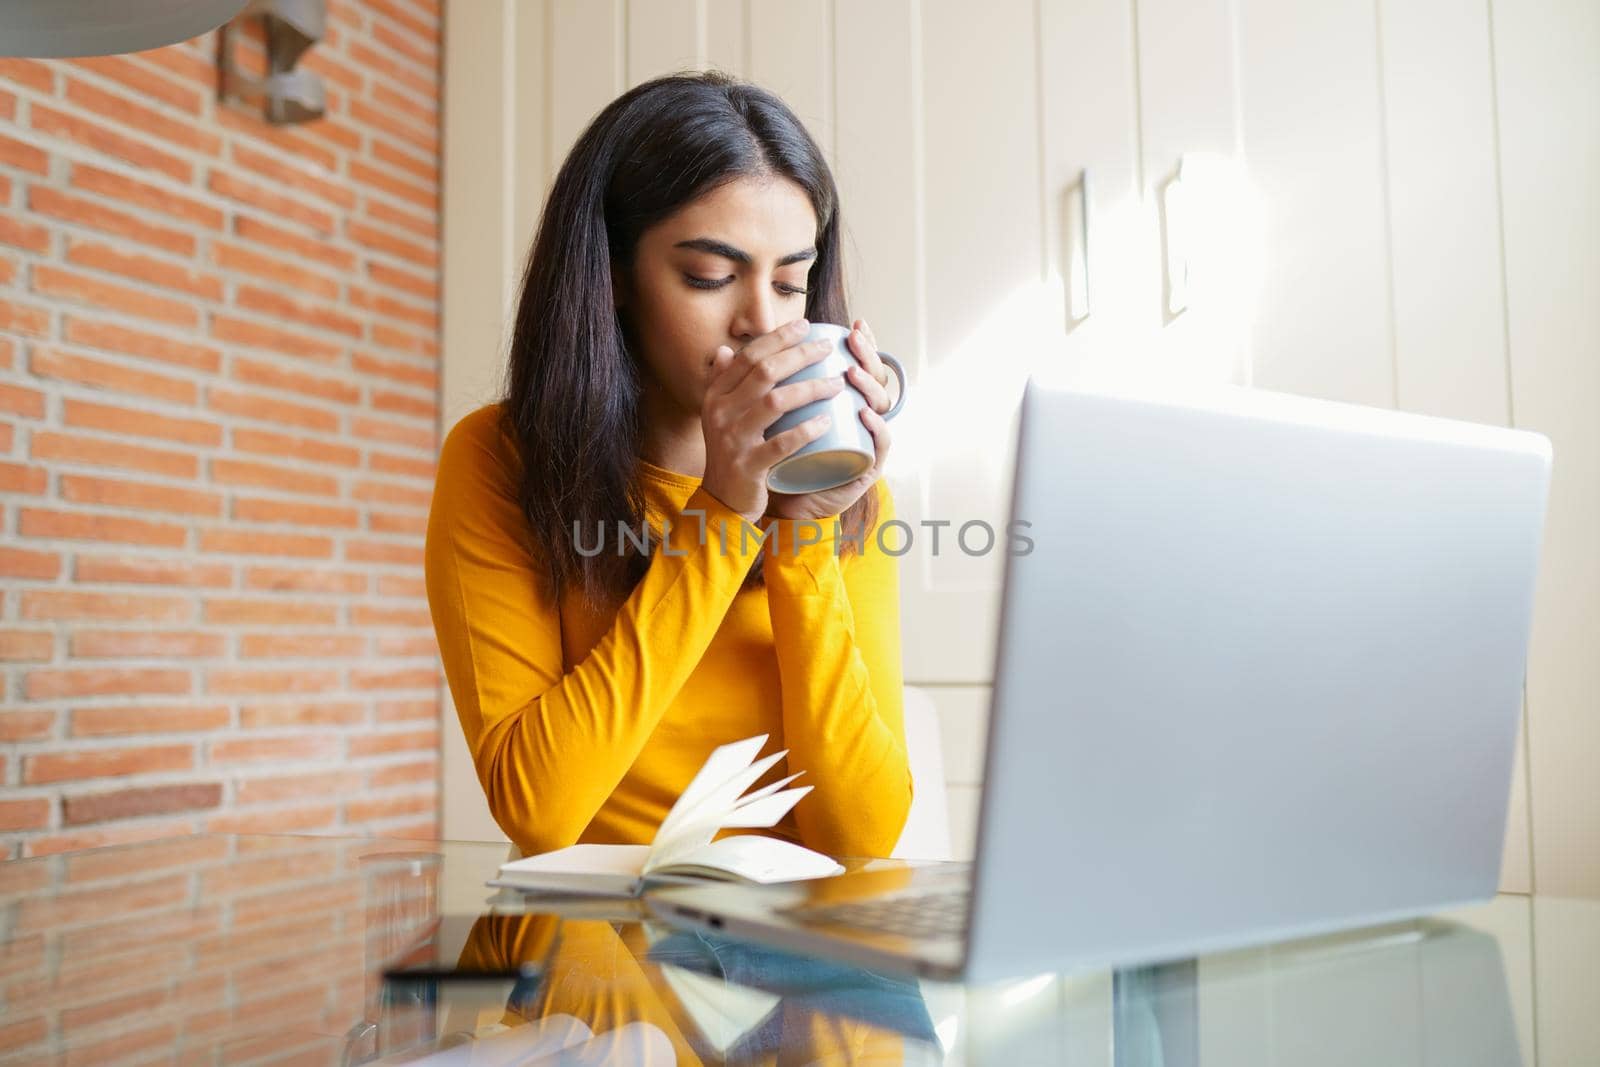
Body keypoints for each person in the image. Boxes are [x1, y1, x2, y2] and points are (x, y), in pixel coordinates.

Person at [424, 71, 912, 861]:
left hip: (800, 951)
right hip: (599, 949)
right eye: (710, 277)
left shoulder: (843, 489)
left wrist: (799, 541)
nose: (764, 321)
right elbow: (540, 810)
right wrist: (720, 516)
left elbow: (863, 832)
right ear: (614, 274)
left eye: (792, 283)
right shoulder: (500, 460)